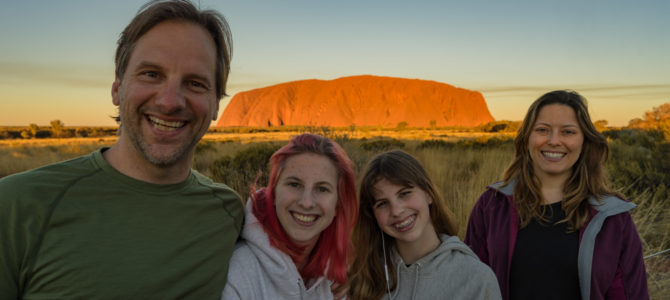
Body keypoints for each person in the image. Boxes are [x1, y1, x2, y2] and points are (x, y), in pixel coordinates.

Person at [0, 1, 244, 298]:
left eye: (195, 83)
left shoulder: (228, 213)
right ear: (117, 87)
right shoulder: (17, 206)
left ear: (217, 103)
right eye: (151, 74)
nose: (170, 102)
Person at [465, 90, 649, 300]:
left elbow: (630, 294)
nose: (554, 141)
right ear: (526, 138)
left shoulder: (613, 218)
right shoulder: (492, 205)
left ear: (584, 141)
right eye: (542, 130)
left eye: (568, 132)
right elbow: (471, 284)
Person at [348, 149, 501, 300]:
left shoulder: (476, 279)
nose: (396, 211)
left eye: (404, 193)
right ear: (372, 215)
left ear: (428, 194)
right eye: (382, 203)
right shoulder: (363, 275)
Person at [222, 133, 358, 299]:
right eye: (294, 184)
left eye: (322, 189)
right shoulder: (239, 274)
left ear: (338, 204)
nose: (306, 202)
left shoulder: (337, 275)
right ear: (273, 194)